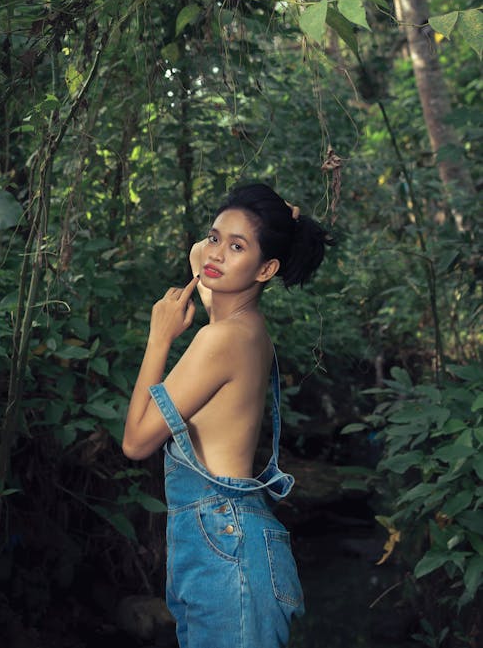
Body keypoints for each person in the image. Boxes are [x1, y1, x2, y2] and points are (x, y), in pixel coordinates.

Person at [122, 183, 333, 648]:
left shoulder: (220, 341)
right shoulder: (244, 325)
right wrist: (273, 222)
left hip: (225, 545)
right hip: (228, 537)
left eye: (237, 247)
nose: (215, 253)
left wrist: (159, 338)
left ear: (267, 268)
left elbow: (136, 442)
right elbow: (205, 256)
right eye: (216, 237)